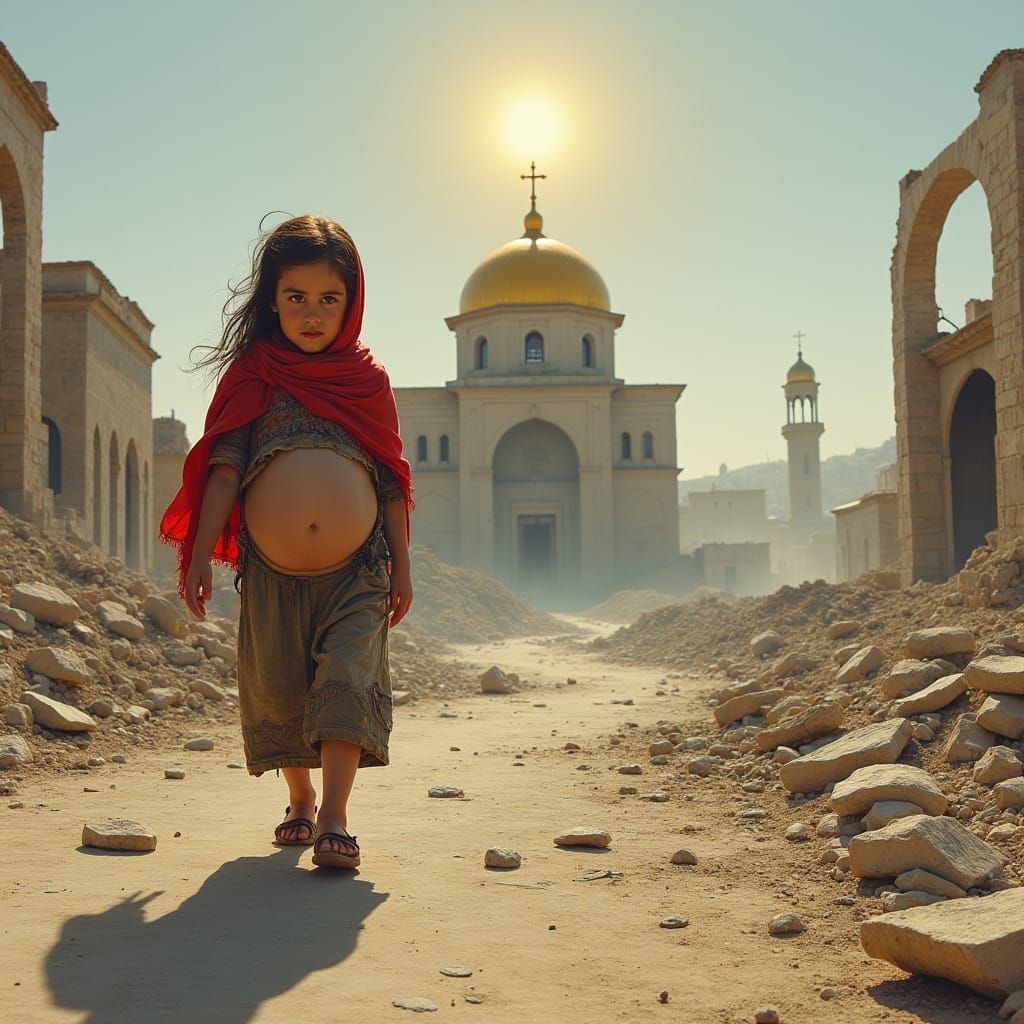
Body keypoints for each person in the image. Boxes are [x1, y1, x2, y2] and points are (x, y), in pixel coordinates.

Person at [160, 215, 414, 870]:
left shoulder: (366, 382)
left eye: (328, 299)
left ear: (350, 302)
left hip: (358, 572)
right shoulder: (256, 376)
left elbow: (390, 481)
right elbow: (223, 470)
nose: (311, 313)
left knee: (344, 681)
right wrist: (198, 553)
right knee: (280, 693)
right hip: (272, 573)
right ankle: (298, 799)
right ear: (272, 299)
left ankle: (334, 817)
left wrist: (404, 567)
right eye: (296, 296)